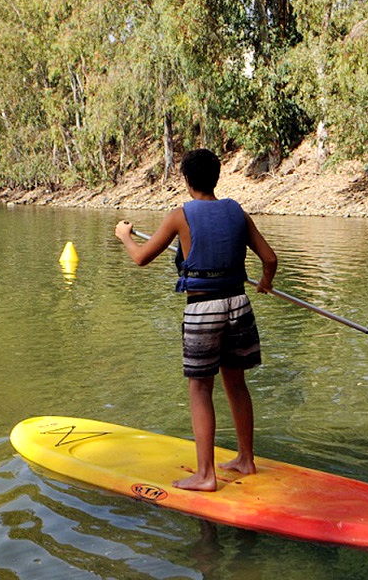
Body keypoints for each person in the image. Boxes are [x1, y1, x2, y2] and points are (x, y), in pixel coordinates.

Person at [115, 148, 277, 492]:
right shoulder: (237, 212)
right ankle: (246, 459)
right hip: (238, 305)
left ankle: (205, 475)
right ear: (217, 177)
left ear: (187, 181)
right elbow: (270, 259)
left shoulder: (180, 215)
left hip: (204, 311)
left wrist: (125, 236)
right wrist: (265, 282)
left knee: (201, 388)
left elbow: (142, 258)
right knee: (236, 384)